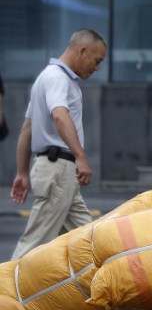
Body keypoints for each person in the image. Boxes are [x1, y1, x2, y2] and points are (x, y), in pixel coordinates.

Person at [10, 29, 105, 260]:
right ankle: (3, 290)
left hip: (58, 172)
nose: (97, 68)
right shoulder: (58, 78)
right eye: (97, 60)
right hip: (58, 169)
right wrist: (81, 156)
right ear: (82, 51)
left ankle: (108, 290)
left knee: (89, 242)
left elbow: (27, 129)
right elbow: (60, 115)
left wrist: (22, 172)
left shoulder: (46, 77)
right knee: (32, 246)